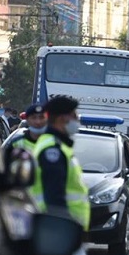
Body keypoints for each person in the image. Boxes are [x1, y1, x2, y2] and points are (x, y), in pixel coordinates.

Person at [32, 95, 90, 230]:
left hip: (66, 228)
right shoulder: (53, 150)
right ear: (61, 119)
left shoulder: (58, 145)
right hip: (60, 230)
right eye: (74, 115)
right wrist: (60, 232)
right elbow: (54, 195)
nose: (77, 120)